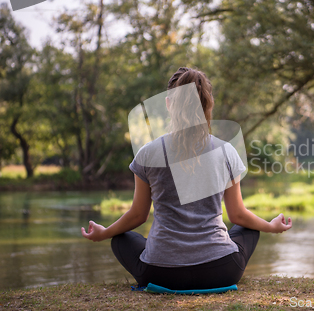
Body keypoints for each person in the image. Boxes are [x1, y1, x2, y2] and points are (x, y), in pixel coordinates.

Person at [81, 67, 292, 290]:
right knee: (248, 228)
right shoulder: (226, 151)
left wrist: (105, 232)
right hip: (222, 270)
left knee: (120, 238)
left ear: (169, 104)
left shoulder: (148, 153)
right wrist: (270, 226)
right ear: (207, 106)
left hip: (160, 273)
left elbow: (138, 215)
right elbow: (238, 214)